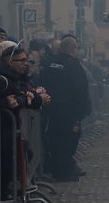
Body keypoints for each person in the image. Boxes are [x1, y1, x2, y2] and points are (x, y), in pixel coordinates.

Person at [37, 36, 92, 182]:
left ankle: (58, 168)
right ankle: (64, 170)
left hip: (51, 109)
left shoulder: (49, 63)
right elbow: (80, 89)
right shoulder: (73, 65)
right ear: (74, 49)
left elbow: (41, 83)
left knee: (54, 139)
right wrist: (84, 110)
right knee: (69, 140)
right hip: (70, 111)